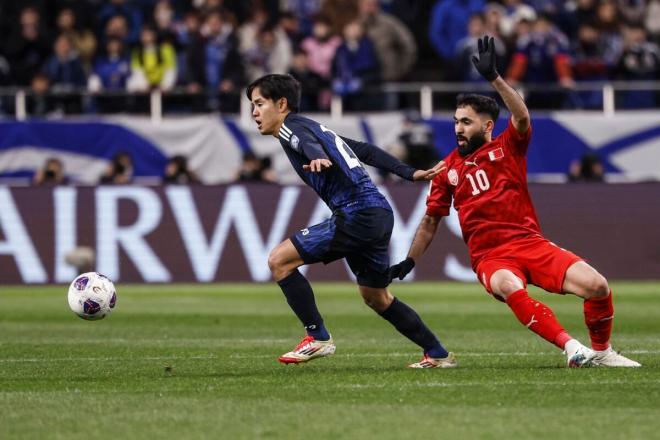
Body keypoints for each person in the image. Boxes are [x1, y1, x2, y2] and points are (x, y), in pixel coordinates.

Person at [389, 36, 640, 368]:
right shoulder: (446, 168)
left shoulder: (507, 147)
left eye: (466, 122)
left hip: (528, 242)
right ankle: (571, 348)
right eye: (455, 122)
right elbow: (431, 220)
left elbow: (522, 118)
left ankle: (603, 351)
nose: (458, 129)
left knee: (597, 285)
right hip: (490, 256)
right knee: (508, 285)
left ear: (488, 125)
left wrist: (494, 78)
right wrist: (409, 261)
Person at [247, 74, 454, 368]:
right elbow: (366, 150)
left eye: (259, 104)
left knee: (279, 261)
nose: (254, 112)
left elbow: (304, 143)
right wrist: (410, 173)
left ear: (281, 104)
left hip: (357, 212)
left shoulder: (290, 127)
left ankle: (317, 337)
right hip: (379, 212)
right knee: (376, 297)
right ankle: (437, 353)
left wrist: (316, 157)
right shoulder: (318, 128)